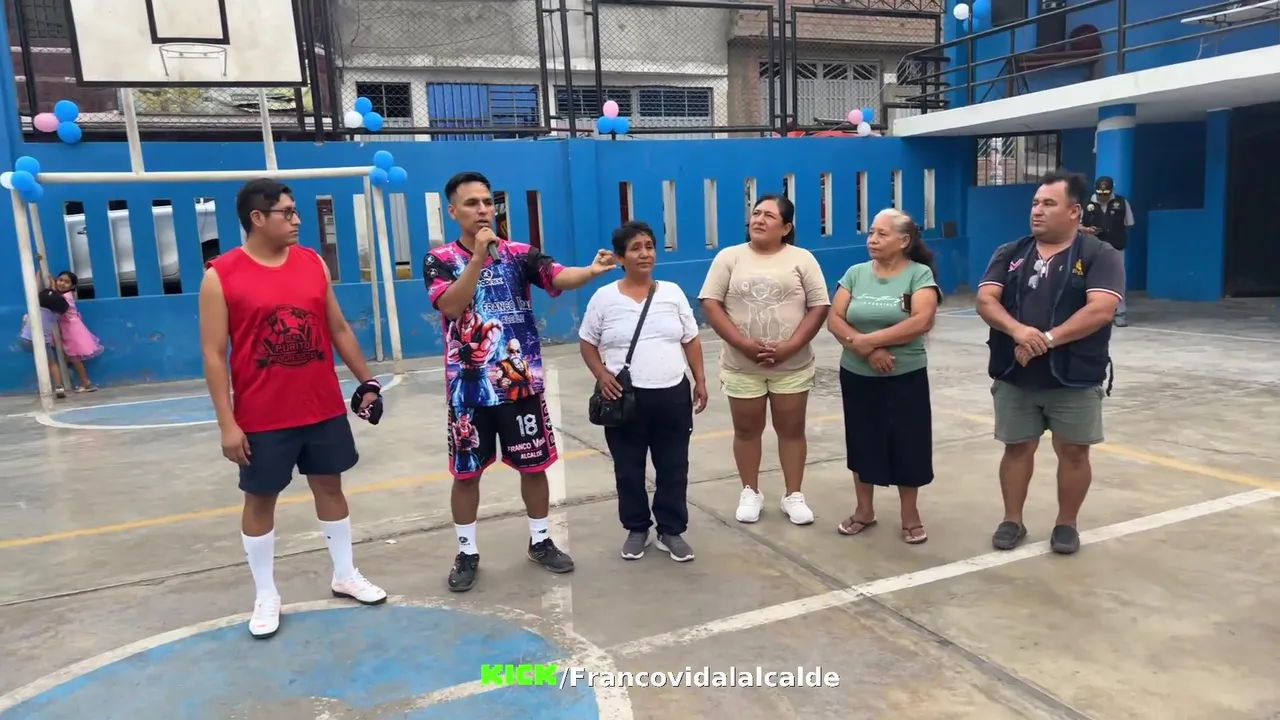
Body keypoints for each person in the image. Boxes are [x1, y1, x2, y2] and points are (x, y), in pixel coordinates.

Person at [199, 178, 389, 640]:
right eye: (286, 212)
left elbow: (337, 327)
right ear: (257, 218)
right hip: (262, 416)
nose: (297, 219)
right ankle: (266, 593)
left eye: (295, 210)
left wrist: (367, 381)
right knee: (260, 499)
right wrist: (227, 424)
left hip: (321, 406)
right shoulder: (220, 275)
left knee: (330, 486)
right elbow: (213, 354)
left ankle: (345, 574)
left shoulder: (312, 263)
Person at [424, 170, 617, 592]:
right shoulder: (440, 260)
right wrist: (477, 258)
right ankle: (467, 551)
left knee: (534, 467)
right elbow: (452, 307)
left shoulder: (518, 254)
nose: (482, 210)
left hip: (520, 385)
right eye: (472, 203)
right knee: (466, 475)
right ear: (453, 211)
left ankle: (541, 541)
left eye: (487, 202)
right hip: (469, 391)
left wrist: (591, 270)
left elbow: (558, 276)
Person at [975, 170, 1125, 556]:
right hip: (1015, 372)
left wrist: (1046, 340)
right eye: (1035, 203)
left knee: (1074, 452)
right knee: (1016, 448)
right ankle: (1012, 519)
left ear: (1074, 211)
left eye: (1048, 203)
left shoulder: (1099, 255)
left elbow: (1101, 309)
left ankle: (1066, 524)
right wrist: (1018, 331)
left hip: (1074, 376)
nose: (1037, 211)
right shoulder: (1011, 252)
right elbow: (986, 300)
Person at [578, 221, 708, 562]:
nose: (645, 254)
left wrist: (700, 380)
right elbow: (587, 342)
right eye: (635, 248)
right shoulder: (604, 298)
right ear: (620, 258)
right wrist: (601, 374)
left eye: (649, 246)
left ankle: (671, 531)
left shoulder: (672, 293)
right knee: (628, 469)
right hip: (624, 398)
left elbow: (691, 339)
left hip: (672, 394)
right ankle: (637, 529)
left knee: (674, 467)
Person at [697, 194, 830, 526]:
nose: (758, 219)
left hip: (792, 365)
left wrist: (791, 346)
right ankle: (750, 491)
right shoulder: (729, 257)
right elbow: (710, 303)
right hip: (742, 365)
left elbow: (819, 306)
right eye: (756, 213)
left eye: (769, 216)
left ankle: (793, 494)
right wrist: (742, 343)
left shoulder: (802, 259)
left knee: (791, 429)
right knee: (746, 430)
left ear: (786, 227)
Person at [827, 208, 941, 544]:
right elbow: (835, 318)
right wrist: (868, 350)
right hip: (857, 374)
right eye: (871, 233)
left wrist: (870, 340)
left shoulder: (919, 275)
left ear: (904, 241)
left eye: (881, 234)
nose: (872, 240)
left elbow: (922, 320)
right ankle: (864, 510)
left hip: (905, 375)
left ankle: (910, 514)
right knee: (861, 439)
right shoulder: (855, 273)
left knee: (909, 442)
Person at [1081, 176, 1134, 326]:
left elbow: (1129, 223)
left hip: (1116, 247)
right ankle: (1092, 313)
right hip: (1092, 247)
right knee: (1090, 279)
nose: (1103, 197)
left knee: (1118, 279)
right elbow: (1075, 225)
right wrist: (1087, 230)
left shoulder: (1121, 203)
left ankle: (1120, 312)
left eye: (1106, 194)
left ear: (1112, 190)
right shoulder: (1086, 204)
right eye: (1100, 194)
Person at [52, 271, 103, 392]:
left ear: (72, 286)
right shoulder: (65, 295)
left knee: (74, 357)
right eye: (60, 280)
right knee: (69, 356)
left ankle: (85, 382)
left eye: (67, 282)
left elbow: (54, 301)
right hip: (68, 328)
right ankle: (74, 379)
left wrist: (52, 286)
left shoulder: (66, 297)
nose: (62, 283)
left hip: (72, 329)